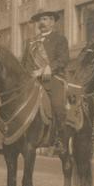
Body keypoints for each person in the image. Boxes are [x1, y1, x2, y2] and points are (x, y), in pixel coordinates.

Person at [21, 10, 69, 155]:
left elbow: (63, 59)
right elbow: (25, 63)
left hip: (52, 77)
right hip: (32, 79)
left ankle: (61, 139)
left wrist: (47, 68)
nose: (42, 22)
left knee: (58, 104)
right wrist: (30, 74)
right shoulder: (30, 42)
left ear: (52, 22)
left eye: (46, 19)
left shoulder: (60, 39)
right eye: (40, 20)